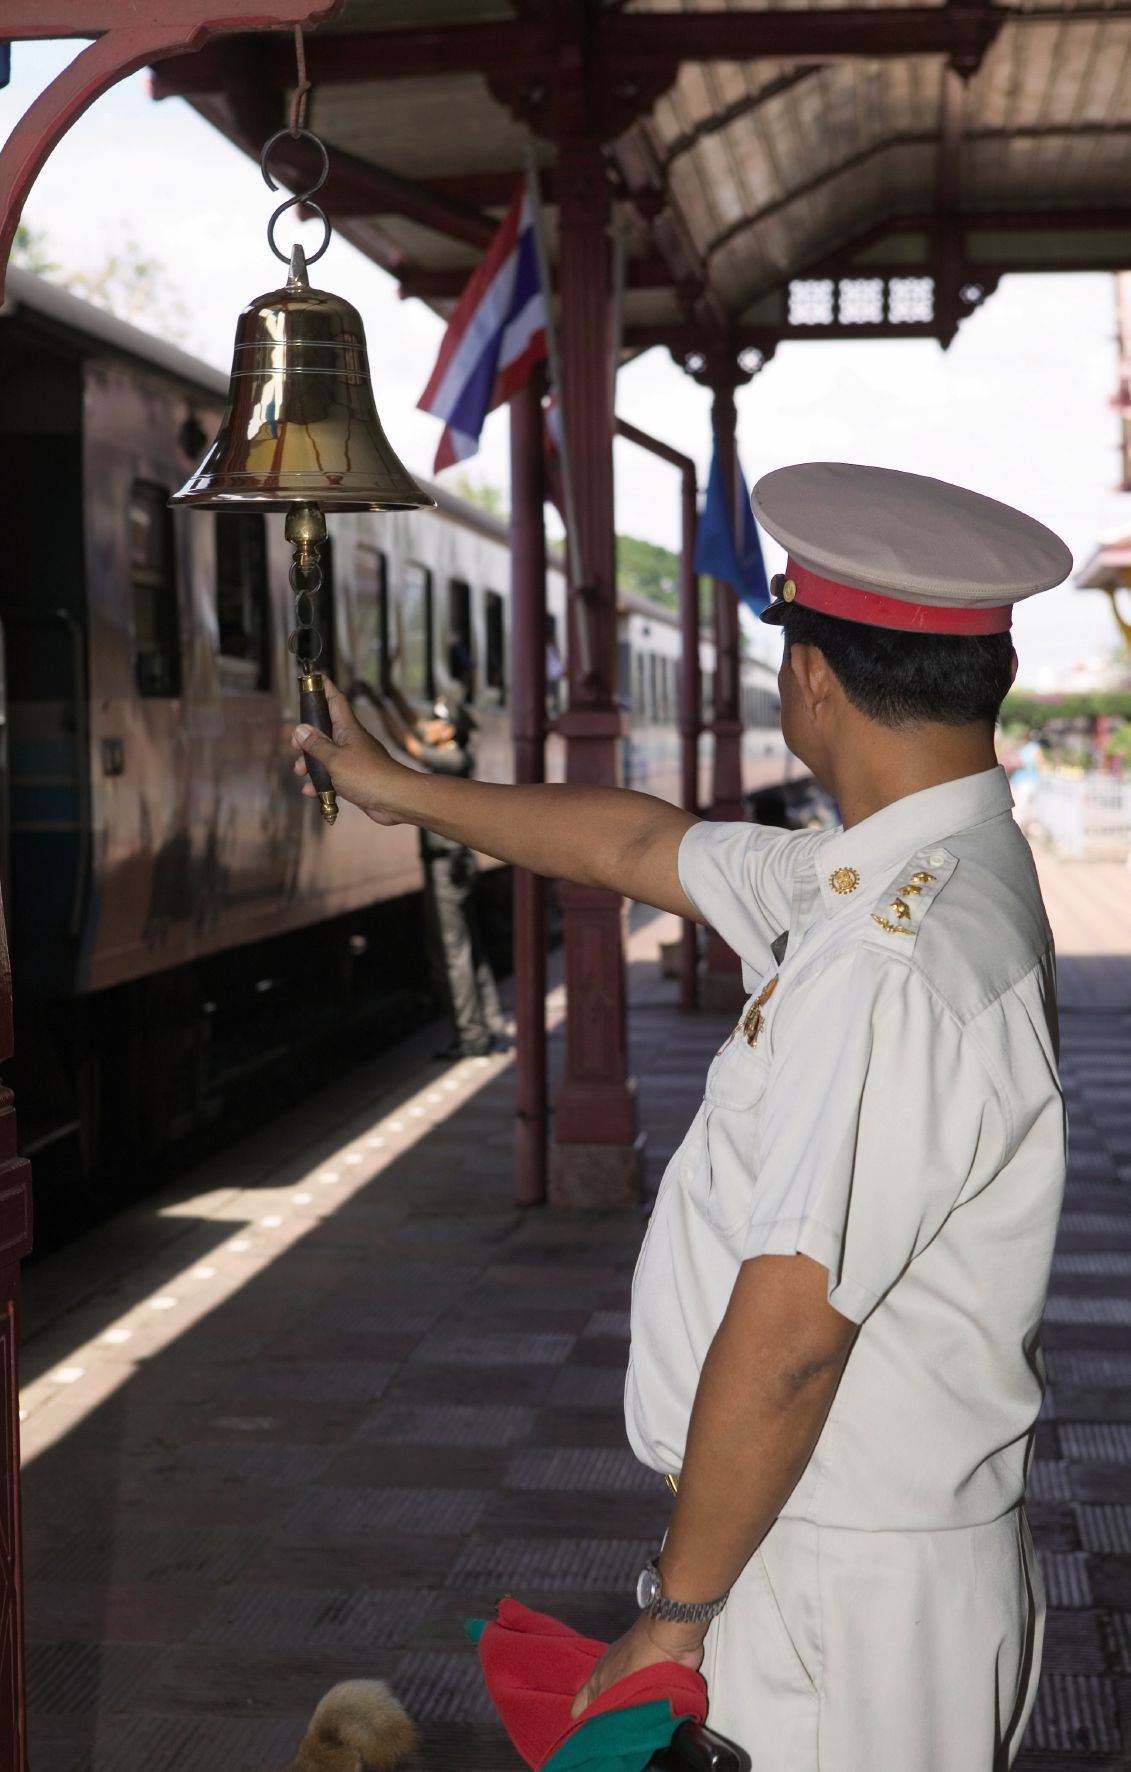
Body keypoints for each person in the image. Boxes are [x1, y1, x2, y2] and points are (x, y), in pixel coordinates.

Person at [294, 463, 1072, 1772]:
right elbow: (636, 847)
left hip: (834, 1590)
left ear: (810, 677)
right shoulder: (909, 871)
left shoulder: (886, 953)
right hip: (847, 1549)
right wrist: (405, 793)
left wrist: (673, 1617)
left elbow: (787, 1339)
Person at [362, 679, 507, 1061]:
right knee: (468, 948)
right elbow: (414, 726)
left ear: (449, 730)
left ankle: (471, 1037)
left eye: (436, 722)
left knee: (451, 952)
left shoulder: (453, 758)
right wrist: (388, 691)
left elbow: (407, 743)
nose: (429, 724)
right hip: (455, 866)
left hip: (447, 869)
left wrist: (379, 710)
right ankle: (490, 1023)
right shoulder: (453, 750)